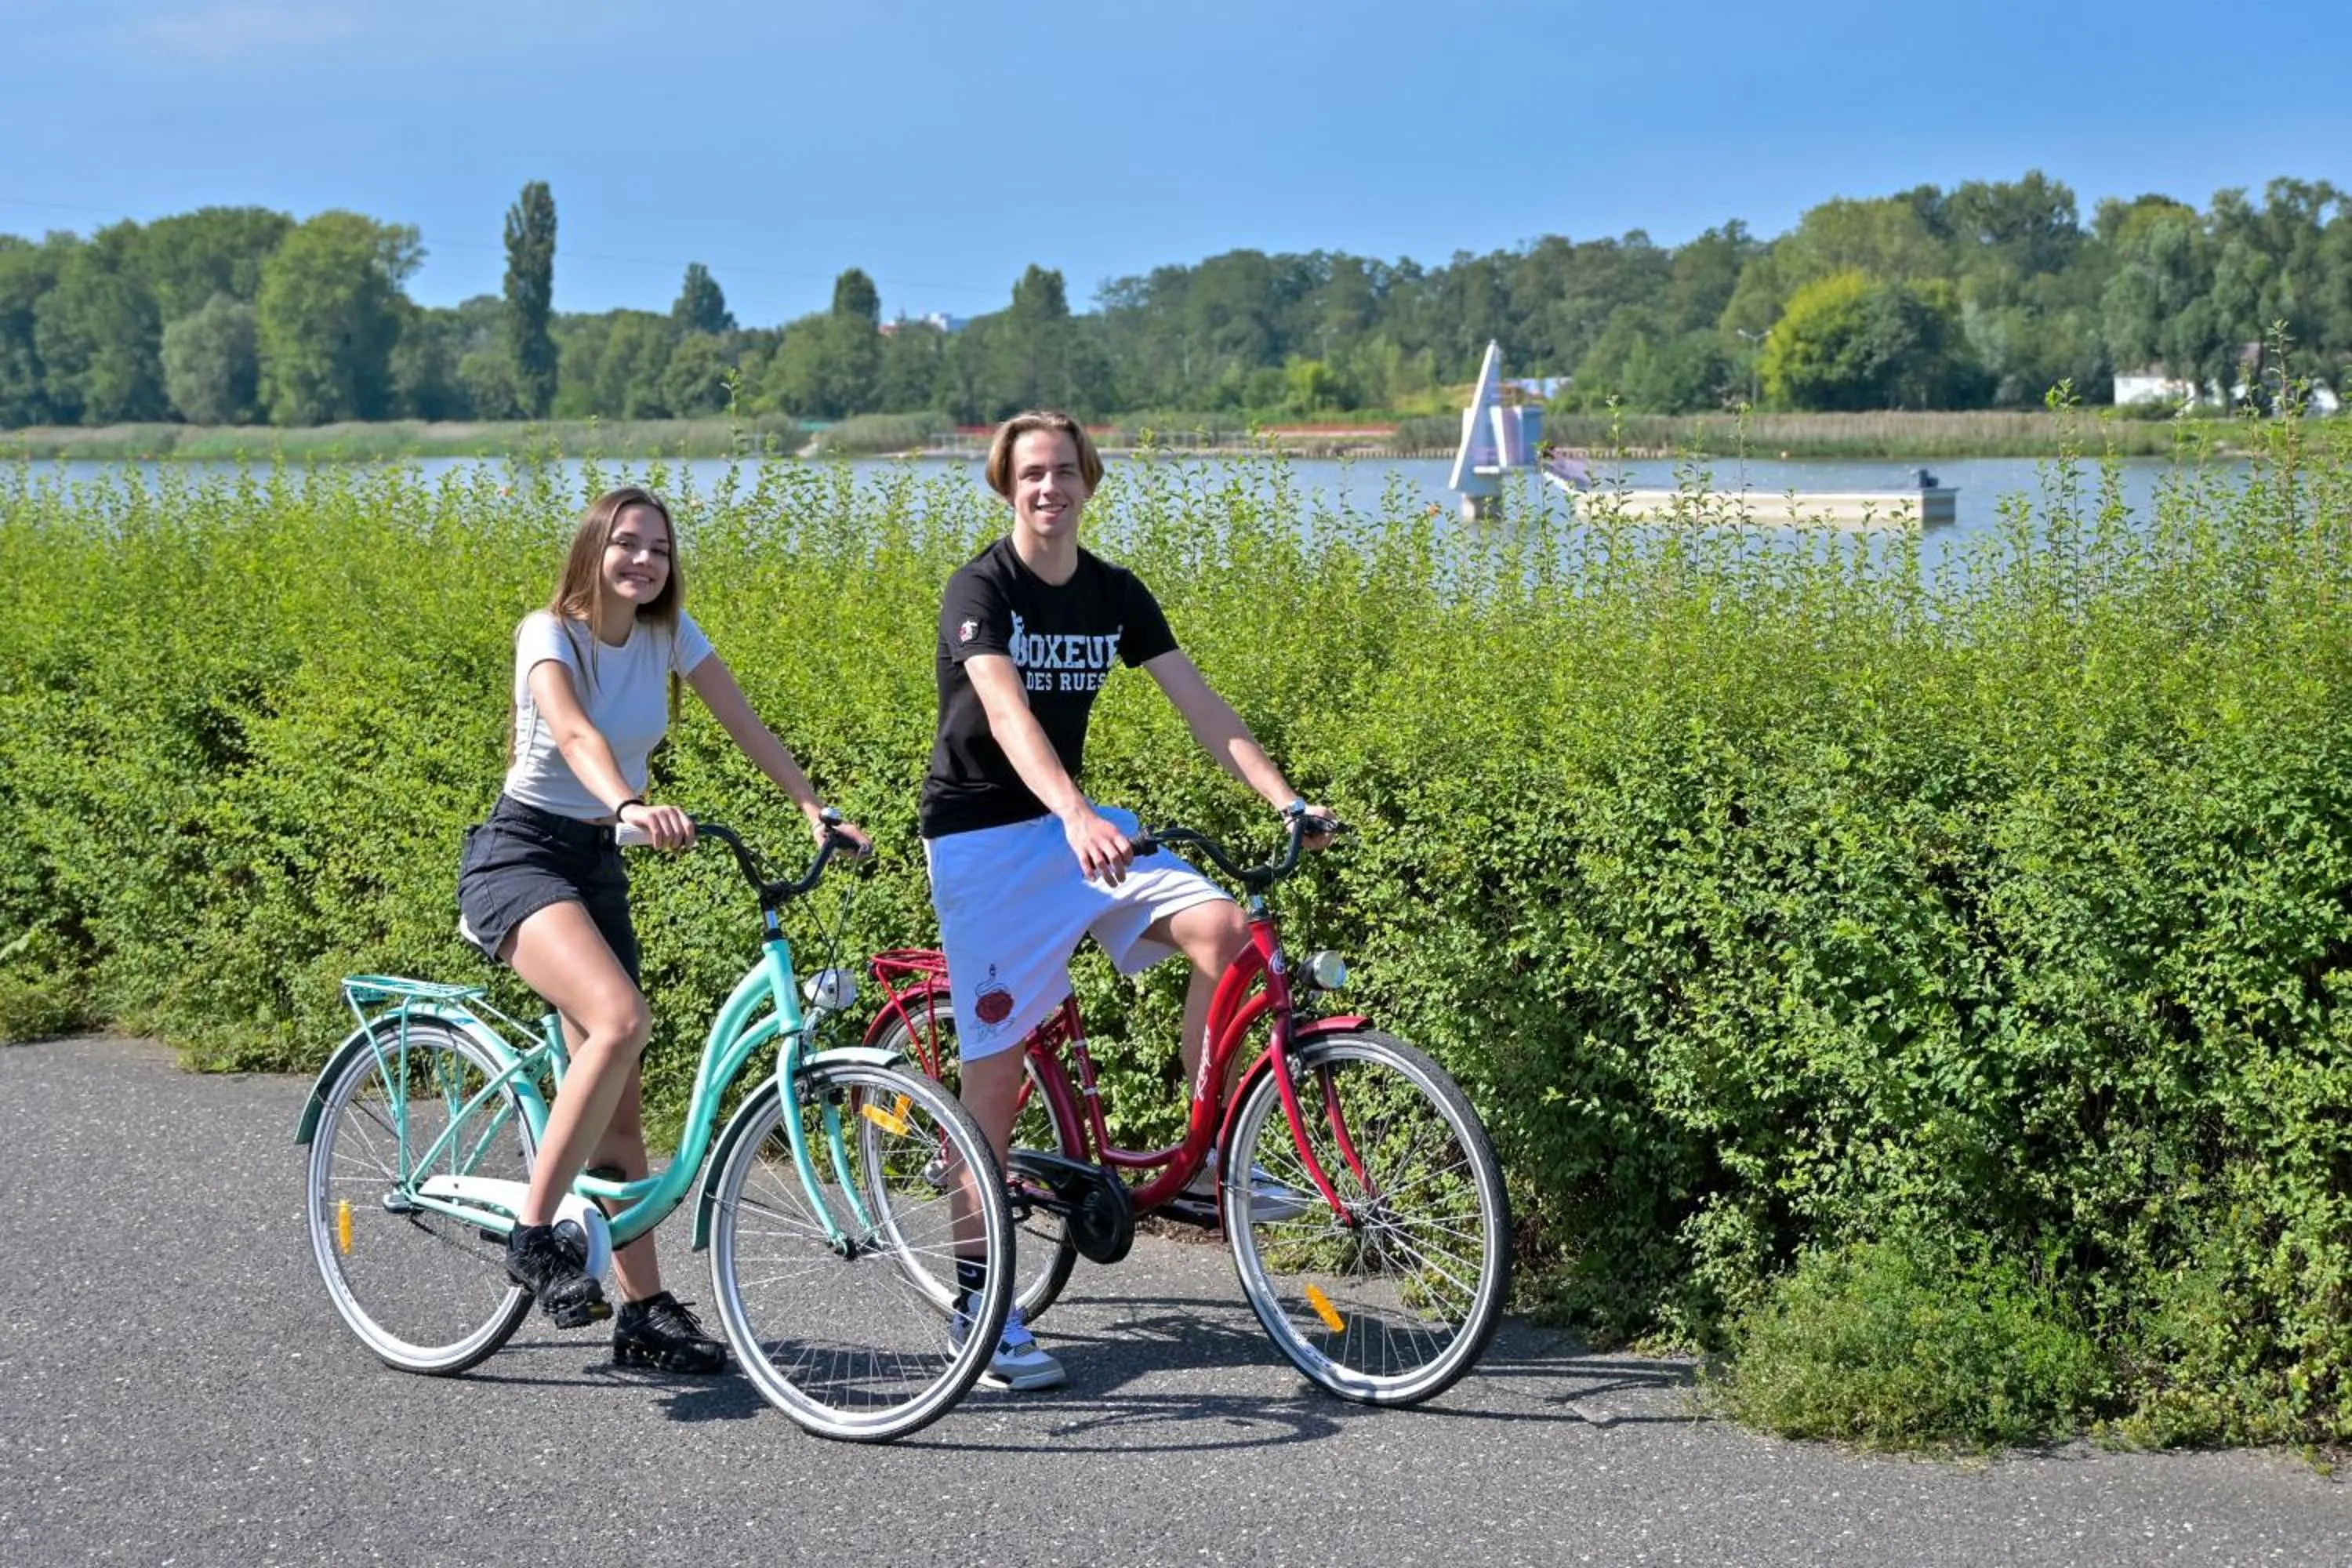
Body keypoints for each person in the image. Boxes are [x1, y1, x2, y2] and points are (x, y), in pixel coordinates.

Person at [920, 411, 1327, 1391]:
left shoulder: (1114, 592)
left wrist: (1288, 800)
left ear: (1089, 481)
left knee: (1228, 931)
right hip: (985, 839)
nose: (1048, 489)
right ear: (1005, 486)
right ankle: (981, 1312)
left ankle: (1222, 1148)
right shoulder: (981, 588)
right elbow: (1008, 711)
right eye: (1030, 475)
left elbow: (1202, 704)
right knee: (993, 1081)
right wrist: (1068, 810)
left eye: (1063, 471)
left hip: (1080, 829)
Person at [457, 485, 868, 1374]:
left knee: (621, 1109)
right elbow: (569, 729)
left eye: (660, 549)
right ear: (594, 548)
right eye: (628, 544)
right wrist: (629, 802)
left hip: (598, 862)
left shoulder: (666, 635)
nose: (644, 561)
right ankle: (534, 1233)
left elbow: (744, 719)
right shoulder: (549, 631)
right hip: (521, 856)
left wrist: (812, 811)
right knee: (621, 1018)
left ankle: (642, 1311)